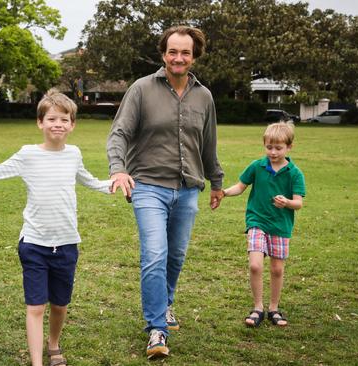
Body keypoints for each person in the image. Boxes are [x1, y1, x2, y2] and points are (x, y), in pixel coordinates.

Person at [0, 91, 113, 366]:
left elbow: (88, 180)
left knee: (59, 306)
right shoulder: (28, 155)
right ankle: (37, 362)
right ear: (40, 122)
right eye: (52, 118)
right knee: (36, 306)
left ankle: (54, 345)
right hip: (34, 244)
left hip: (66, 244)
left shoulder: (74, 154)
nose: (58, 124)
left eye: (64, 119)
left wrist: (111, 185)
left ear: (72, 125)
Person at [107, 25, 224, 359]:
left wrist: (216, 182)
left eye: (185, 52)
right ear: (163, 54)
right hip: (147, 187)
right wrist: (118, 167)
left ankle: (166, 303)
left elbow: (208, 144)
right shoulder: (142, 89)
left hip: (188, 189)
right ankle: (156, 328)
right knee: (155, 254)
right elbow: (119, 134)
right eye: (172, 51)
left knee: (176, 255)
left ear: (194, 55)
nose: (178, 57)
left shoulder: (204, 96)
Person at [221, 122, 305, 327]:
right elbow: (240, 187)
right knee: (255, 265)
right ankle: (258, 308)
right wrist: (223, 193)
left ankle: (274, 309)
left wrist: (286, 203)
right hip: (257, 221)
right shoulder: (256, 166)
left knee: (277, 269)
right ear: (264, 145)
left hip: (280, 226)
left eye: (278, 148)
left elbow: (298, 203)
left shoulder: (295, 173)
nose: (273, 152)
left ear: (289, 147)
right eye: (269, 147)